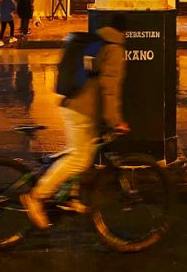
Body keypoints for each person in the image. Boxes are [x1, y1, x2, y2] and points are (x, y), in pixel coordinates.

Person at [20, 13, 129, 229]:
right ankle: (37, 196)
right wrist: (115, 120)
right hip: (81, 108)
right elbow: (109, 89)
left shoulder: (97, 40)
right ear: (125, 32)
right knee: (79, 158)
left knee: (84, 152)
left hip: (73, 101)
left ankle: (70, 197)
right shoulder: (114, 48)